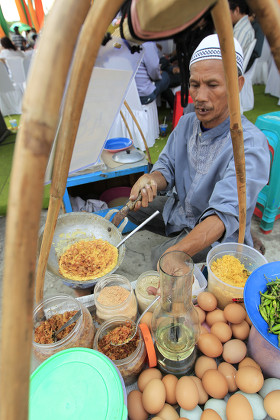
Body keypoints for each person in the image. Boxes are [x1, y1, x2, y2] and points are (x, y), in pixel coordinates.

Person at [127, 34, 270, 269]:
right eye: (195, 84)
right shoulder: (187, 123)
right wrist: (151, 179)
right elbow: (168, 167)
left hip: (217, 231)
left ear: (237, 85)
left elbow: (223, 216)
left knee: (160, 260)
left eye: (213, 85)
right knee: (131, 207)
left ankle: (243, 244)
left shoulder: (250, 145)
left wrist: (176, 252)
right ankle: (180, 236)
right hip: (182, 210)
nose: (200, 97)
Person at [135, 41, 175, 109]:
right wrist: (159, 73)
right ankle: (174, 107)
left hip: (128, 94)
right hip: (143, 95)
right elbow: (154, 72)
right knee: (165, 76)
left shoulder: (122, 42)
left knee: (164, 73)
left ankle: (173, 107)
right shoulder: (148, 44)